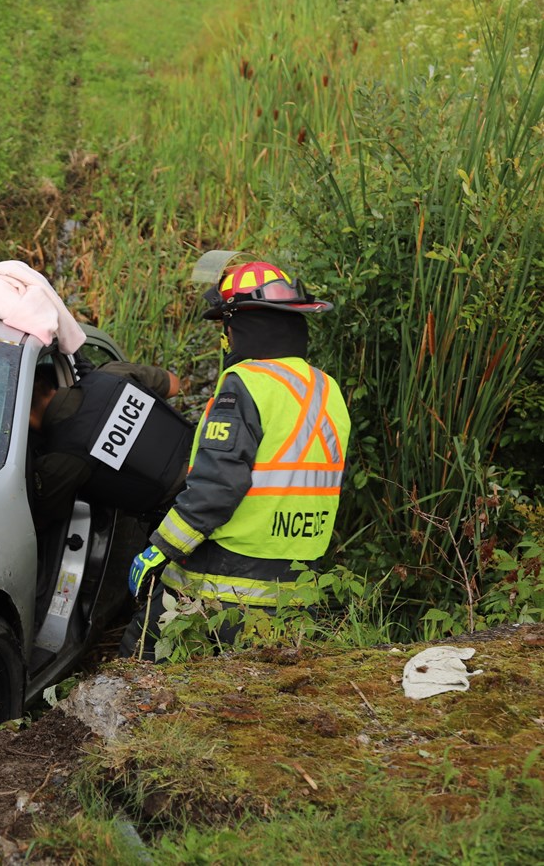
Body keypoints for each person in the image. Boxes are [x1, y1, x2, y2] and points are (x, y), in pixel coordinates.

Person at [119, 261, 351, 659]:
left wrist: (160, 549)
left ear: (238, 326)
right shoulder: (326, 389)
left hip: (221, 587)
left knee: (139, 666)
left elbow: (217, 487)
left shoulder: (244, 385)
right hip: (297, 589)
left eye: (224, 326)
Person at [28, 356, 190, 533]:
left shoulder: (62, 457)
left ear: (26, 416)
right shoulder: (113, 373)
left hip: (182, 513)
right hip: (213, 459)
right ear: (49, 384)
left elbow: (41, 522)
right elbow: (174, 385)